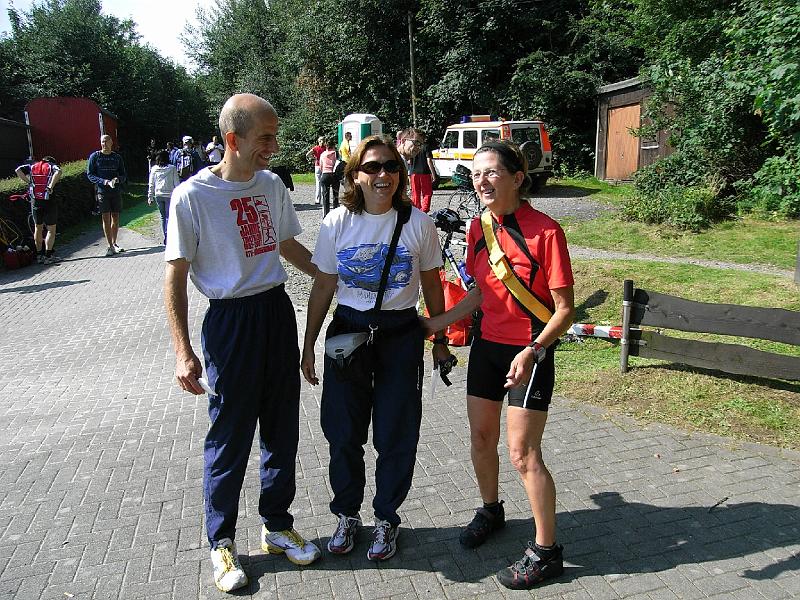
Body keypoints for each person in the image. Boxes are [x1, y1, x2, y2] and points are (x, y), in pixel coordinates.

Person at [164, 93, 321, 593]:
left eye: (274, 135)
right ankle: (221, 543)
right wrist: (182, 350)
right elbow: (175, 275)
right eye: (265, 138)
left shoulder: (271, 184)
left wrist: (327, 274)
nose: (274, 146)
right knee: (229, 435)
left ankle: (276, 526)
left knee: (281, 428)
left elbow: (284, 244)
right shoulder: (192, 196)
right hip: (230, 322)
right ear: (233, 140)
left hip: (276, 311)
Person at [424, 140, 575, 590]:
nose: (482, 181)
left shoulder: (546, 231)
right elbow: (478, 296)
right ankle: (491, 509)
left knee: (523, 454)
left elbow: (565, 309)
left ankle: (547, 552)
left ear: (517, 178)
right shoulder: (478, 228)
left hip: (530, 351)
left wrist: (534, 351)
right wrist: (434, 326)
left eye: (491, 172)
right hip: (487, 348)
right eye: (475, 173)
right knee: (481, 437)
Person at [301, 134, 451, 562]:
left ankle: (386, 517)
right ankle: (347, 514)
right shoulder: (336, 223)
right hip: (347, 331)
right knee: (342, 433)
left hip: (400, 334)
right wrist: (309, 345)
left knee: (396, 433)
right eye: (371, 167)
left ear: (400, 173)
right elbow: (324, 284)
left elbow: (431, 285)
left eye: (390, 166)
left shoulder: (418, 222)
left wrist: (439, 342)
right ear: (353, 174)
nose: (382, 174)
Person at [15, 155, 62, 264]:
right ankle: (48, 256)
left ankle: (39, 256)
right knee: (51, 229)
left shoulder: (32, 166)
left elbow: (17, 170)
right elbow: (58, 172)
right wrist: (50, 185)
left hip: (35, 201)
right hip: (49, 201)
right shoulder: (52, 166)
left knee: (38, 228)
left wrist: (29, 182)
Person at [87, 134, 127, 256]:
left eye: (106, 141)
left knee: (115, 217)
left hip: (115, 191)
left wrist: (117, 180)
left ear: (111, 143)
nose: (104, 144)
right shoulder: (95, 156)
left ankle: (114, 243)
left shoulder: (117, 157)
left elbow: (123, 175)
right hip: (102, 192)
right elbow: (90, 175)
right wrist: (104, 182)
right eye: (102, 142)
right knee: (105, 217)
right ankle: (109, 246)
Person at [147, 150, 180, 245]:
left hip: (158, 195)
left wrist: (150, 197)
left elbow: (151, 184)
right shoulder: (172, 168)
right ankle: (169, 235)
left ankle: (165, 236)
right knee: (169, 217)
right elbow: (176, 183)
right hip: (170, 195)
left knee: (162, 217)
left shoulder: (154, 169)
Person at [408, 132, 438, 213]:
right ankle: (424, 210)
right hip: (424, 172)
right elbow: (429, 161)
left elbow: (409, 160)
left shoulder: (413, 147)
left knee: (415, 193)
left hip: (414, 172)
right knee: (427, 192)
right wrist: (433, 174)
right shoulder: (426, 147)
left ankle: (416, 210)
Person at [318, 140, 339, 217]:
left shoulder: (323, 154)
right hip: (333, 174)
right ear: (333, 145)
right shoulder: (335, 154)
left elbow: (321, 166)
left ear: (326, 146)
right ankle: (336, 212)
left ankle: (326, 214)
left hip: (325, 174)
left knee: (325, 195)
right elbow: (338, 164)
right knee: (335, 194)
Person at [305, 136, 325, 205]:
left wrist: (313, 158)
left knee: (318, 183)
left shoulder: (315, 148)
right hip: (323, 166)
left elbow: (307, 154)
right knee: (323, 183)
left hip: (317, 165)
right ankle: (324, 198)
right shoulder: (325, 148)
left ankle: (317, 200)